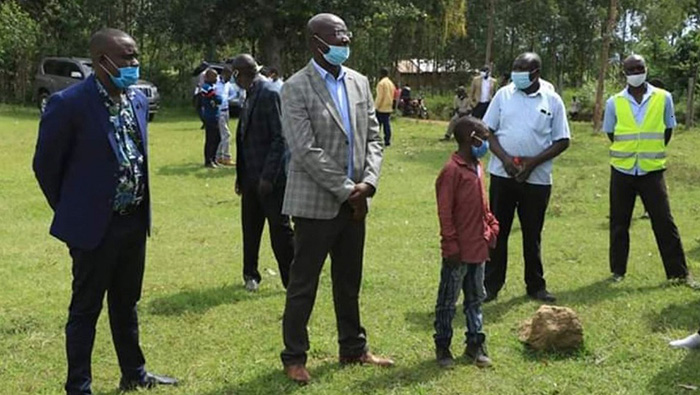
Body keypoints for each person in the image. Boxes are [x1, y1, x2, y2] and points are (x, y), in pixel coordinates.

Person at [33, 28, 177, 394]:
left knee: (127, 304)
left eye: (135, 56)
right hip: (93, 227)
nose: (133, 64)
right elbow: (45, 166)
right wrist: (74, 209)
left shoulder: (137, 100)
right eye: (126, 57)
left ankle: (134, 373)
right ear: (102, 61)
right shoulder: (69, 105)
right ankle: (78, 386)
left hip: (133, 222)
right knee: (85, 310)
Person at [279, 13, 393, 384]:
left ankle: (353, 348)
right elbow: (305, 149)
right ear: (316, 42)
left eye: (347, 36)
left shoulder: (360, 82)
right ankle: (294, 356)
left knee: (349, 280)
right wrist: (348, 189)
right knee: (303, 284)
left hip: (356, 204)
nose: (345, 43)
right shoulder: (296, 87)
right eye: (337, 38)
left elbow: (375, 138)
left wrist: (369, 183)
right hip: (316, 203)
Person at [482, 52, 570, 303]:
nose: (517, 73)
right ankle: (491, 285)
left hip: (537, 178)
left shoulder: (552, 100)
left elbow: (562, 140)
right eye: (515, 67)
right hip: (503, 174)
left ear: (536, 73)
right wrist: (506, 160)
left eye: (523, 69)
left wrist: (532, 163)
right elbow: (488, 131)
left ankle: (536, 285)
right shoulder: (503, 95)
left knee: (532, 234)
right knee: (498, 231)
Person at [602, 55, 693, 286]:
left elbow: (668, 131)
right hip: (622, 170)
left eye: (639, 68)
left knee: (664, 221)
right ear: (624, 73)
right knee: (619, 223)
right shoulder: (614, 102)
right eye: (630, 69)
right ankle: (618, 272)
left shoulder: (664, 98)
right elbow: (611, 133)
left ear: (646, 69)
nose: (635, 72)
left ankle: (679, 273)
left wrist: (650, 151)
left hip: (652, 171)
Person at [434, 116, 499, 369]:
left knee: (475, 298)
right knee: (448, 300)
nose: (485, 143)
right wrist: (450, 245)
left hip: (478, 248)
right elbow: (445, 212)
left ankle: (476, 344)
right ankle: (443, 345)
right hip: (458, 251)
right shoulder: (451, 171)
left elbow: (483, 205)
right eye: (482, 138)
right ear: (470, 139)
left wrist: (491, 225)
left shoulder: (478, 166)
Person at [231, 54, 294, 292]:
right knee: (250, 227)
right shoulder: (249, 94)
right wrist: (241, 175)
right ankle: (251, 274)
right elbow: (244, 138)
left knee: (280, 230)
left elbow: (281, 137)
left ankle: (293, 279)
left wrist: (268, 177)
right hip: (250, 177)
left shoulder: (269, 93)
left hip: (270, 180)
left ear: (239, 73)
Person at [214, 65, 237, 166]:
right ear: (224, 74)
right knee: (226, 134)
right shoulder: (216, 82)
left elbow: (234, 93)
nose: (230, 78)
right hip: (219, 112)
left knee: (222, 135)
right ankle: (226, 156)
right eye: (229, 76)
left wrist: (227, 99)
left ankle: (218, 156)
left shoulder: (228, 84)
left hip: (226, 110)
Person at [199, 68, 223, 168]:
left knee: (217, 138)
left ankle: (213, 158)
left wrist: (216, 98)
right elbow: (217, 98)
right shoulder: (206, 87)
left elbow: (219, 100)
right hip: (210, 117)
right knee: (211, 139)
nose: (216, 78)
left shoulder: (212, 87)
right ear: (208, 77)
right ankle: (208, 161)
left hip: (215, 115)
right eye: (214, 76)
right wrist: (215, 97)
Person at [375, 67, 396, 147]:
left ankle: (376, 140)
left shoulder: (381, 83)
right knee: (387, 125)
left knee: (377, 125)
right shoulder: (391, 83)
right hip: (388, 107)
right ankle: (387, 141)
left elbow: (380, 97)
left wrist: (375, 107)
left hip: (381, 108)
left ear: (381, 74)